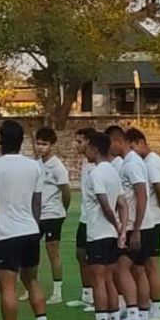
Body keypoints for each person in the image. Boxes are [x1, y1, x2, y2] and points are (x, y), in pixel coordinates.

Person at [0, 120, 49, 320]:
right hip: (30, 230)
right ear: (22, 141)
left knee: (8, 287)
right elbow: (37, 201)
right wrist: (35, 226)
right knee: (32, 280)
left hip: (7, 233)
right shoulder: (34, 166)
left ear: (0, 141)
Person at [76, 132, 128, 320]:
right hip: (112, 235)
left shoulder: (96, 174)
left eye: (86, 146)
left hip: (98, 233)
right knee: (109, 280)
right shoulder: (113, 172)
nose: (84, 150)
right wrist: (122, 230)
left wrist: (115, 224)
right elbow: (123, 204)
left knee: (98, 280)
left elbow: (106, 204)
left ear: (95, 149)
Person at [106, 125, 154, 320]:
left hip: (138, 225)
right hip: (143, 224)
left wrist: (135, 230)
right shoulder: (131, 162)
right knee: (138, 269)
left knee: (121, 267)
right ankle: (143, 314)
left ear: (118, 141)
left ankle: (134, 315)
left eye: (110, 144)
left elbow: (141, 195)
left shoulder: (131, 164)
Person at [31, 126, 71, 305]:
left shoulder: (57, 166)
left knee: (52, 252)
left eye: (44, 144)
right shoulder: (36, 164)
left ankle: (57, 291)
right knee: (30, 252)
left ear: (52, 145)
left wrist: (63, 210)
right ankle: (30, 287)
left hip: (53, 215)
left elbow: (66, 191)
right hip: (37, 216)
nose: (40, 147)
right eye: (38, 143)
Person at [127, 128, 160, 320]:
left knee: (150, 266)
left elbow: (158, 187)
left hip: (155, 219)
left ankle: (157, 309)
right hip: (152, 218)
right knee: (144, 266)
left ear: (140, 142)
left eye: (132, 147)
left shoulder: (152, 162)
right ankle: (149, 306)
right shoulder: (145, 162)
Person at [68, 127, 96, 310]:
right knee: (80, 254)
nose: (75, 145)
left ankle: (99, 297)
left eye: (79, 141)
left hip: (96, 220)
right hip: (85, 218)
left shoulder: (98, 165)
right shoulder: (86, 164)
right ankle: (87, 295)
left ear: (89, 142)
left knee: (97, 260)